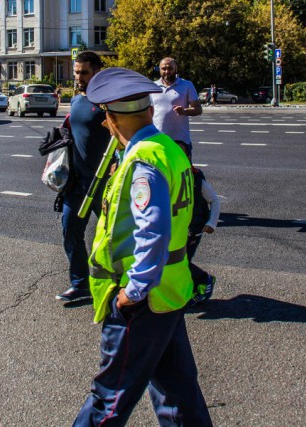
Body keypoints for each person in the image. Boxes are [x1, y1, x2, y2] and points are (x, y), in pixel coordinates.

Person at [73, 67, 213, 426]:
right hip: (169, 290)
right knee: (178, 396)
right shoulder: (168, 147)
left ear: (112, 119)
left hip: (144, 302)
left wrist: (131, 293)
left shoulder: (142, 161)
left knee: (108, 400)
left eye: (106, 118)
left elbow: (153, 232)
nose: (106, 126)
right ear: (150, 111)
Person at [55, 51, 111, 302]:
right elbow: (71, 134)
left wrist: (117, 164)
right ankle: (79, 284)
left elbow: (123, 138)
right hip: (76, 184)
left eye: (84, 72)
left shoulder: (108, 103)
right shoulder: (76, 102)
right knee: (70, 233)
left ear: (97, 72)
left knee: (116, 236)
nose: (78, 77)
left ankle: (127, 284)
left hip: (102, 184)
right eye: (76, 72)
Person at [175, 142, 220, 307]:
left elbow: (214, 200)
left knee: (181, 261)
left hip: (193, 229)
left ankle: (203, 280)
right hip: (177, 228)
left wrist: (212, 223)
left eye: (182, 154)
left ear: (188, 157)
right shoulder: (169, 173)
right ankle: (186, 289)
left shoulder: (195, 177)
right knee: (176, 261)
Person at [151, 57, 202, 153]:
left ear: (176, 69)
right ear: (159, 69)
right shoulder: (153, 87)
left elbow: (198, 109)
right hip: (158, 141)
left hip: (181, 142)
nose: (167, 71)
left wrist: (184, 111)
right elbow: (149, 113)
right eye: (164, 69)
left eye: (170, 68)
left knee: (184, 168)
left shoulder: (187, 85)